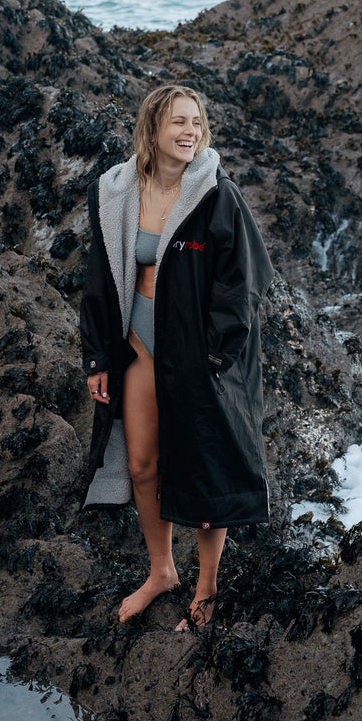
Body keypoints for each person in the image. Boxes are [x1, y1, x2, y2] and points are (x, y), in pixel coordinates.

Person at [80, 84, 273, 629]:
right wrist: (98, 357)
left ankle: (206, 591)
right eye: (178, 123)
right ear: (153, 131)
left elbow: (245, 283)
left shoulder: (216, 194)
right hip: (139, 344)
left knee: (206, 465)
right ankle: (161, 571)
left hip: (199, 356)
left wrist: (214, 356)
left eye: (196, 122)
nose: (190, 132)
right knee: (143, 463)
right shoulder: (118, 191)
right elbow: (99, 277)